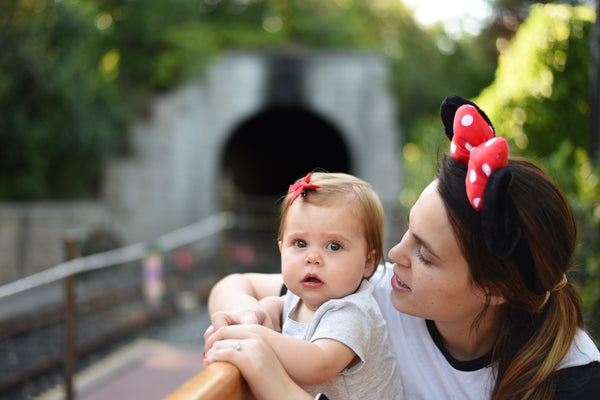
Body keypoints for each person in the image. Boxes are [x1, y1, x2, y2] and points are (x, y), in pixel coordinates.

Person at [204, 96, 600, 400]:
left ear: (495, 289)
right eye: (407, 231)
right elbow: (236, 284)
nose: (395, 255)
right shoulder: (377, 292)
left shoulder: (570, 380)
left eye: (425, 254)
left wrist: (274, 378)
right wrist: (248, 317)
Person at [204, 172, 404, 400]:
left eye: (334, 246)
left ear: (368, 262)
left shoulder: (352, 311)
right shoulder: (297, 299)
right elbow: (274, 307)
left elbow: (317, 363)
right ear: (281, 250)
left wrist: (254, 335)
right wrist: (252, 316)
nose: (313, 257)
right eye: (300, 243)